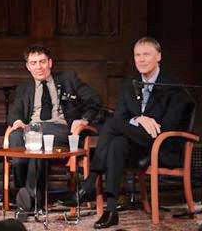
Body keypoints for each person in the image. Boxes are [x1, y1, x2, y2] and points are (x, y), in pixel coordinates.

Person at [65, 37, 191, 229]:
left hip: (161, 145)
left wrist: (136, 122)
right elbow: (122, 118)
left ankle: (91, 181)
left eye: (146, 54)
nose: (141, 59)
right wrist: (138, 119)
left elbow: (168, 126)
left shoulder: (172, 87)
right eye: (137, 55)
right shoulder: (130, 84)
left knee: (111, 124)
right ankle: (111, 210)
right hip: (134, 147)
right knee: (116, 144)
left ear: (159, 57)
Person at [7, 45, 101, 219]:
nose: (38, 66)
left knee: (38, 137)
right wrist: (17, 121)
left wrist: (84, 120)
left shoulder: (68, 79)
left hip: (62, 131)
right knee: (16, 137)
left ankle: (25, 204)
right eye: (33, 63)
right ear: (28, 66)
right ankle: (32, 200)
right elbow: (14, 113)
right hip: (33, 133)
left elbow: (95, 100)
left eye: (42, 61)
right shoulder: (24, 87)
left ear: (50, 62)